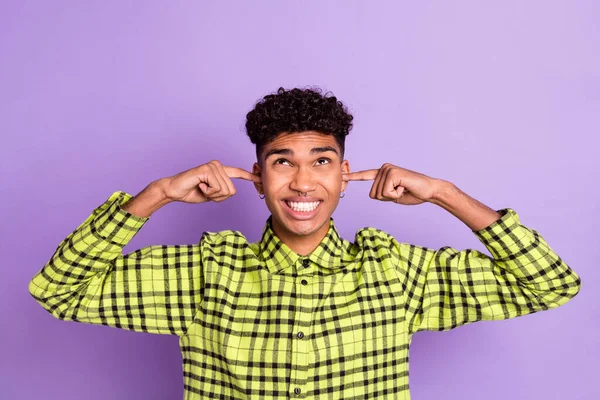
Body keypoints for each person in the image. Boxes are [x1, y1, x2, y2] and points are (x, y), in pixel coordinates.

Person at [29, 87, 581, 399]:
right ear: (258, 175)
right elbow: (59, 291)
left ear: (344, 173)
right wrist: (156, 195)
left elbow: (550, 284)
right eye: (282, 162)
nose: (301, 182)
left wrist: (445, 193)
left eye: (321, 162)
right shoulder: (206, 271)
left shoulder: (395, 271)